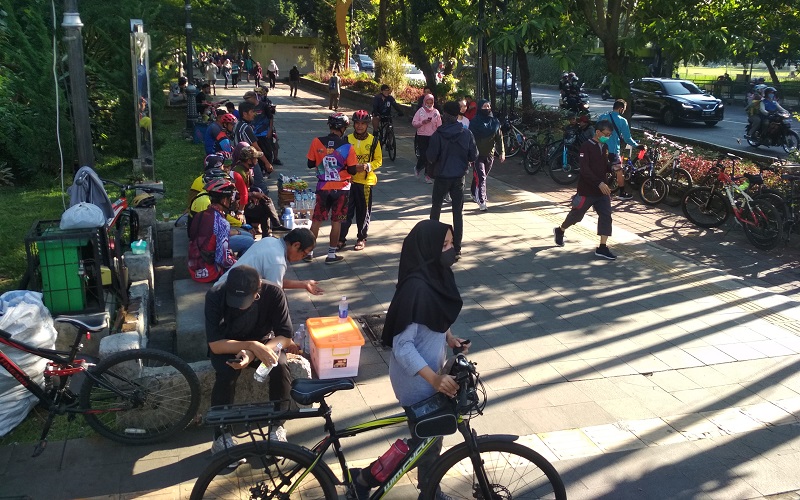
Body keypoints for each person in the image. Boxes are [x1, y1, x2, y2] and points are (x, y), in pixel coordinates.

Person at [351, 220, 468, 500]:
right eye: (444, 245)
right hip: (416, 378)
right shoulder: (416, 287)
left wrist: (449, 338)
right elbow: (403, 347)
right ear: (427, 248)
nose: (451, 250)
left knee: (426, 440)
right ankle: (419, 489)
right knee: (427, 440)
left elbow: (435, 315)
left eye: (451, 243)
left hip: (430, 370)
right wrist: (436, 379)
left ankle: (370, 479)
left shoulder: (435, 276)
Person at [205, 265, 298, 455]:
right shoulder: (215, 295)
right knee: (227, 372)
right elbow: (215, 345)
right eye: (235, 300)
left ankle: (277, 426)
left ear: (257, 292)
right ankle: (221, 435)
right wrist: (249, 346)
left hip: (267, 342)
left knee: (279, 365)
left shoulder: (273, 292)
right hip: (228, 344)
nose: (239, 305)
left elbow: (285, 338)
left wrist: (255, 350)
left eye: (244, 300)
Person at [552, 120, 618, 260]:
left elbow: (604, 166)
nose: (607, 137)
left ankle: (602, 247)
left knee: (606, 216)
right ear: (598, 132)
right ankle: (560, 230)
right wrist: (598, 182)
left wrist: (612, 168)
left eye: (610, 135)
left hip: (602, 191)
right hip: (587, 189)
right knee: (576, 216)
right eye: (606, 134)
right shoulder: (586, 146)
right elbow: (585, 170)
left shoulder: (604, 146)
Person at [305, 112, 358, 264]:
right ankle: (331, 255)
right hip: (342, 189)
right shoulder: (348, 147)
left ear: (330, 126)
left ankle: (309, 252)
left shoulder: (317, 141)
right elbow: (353, 171)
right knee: (337, 221)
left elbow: (310, 164)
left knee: (317, 220)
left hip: (323, 187)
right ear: (344, 128)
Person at [427, 101, 478, 259]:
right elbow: (474, 155)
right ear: (457, 115)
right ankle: (457, 248)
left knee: (436, 208)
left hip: (442, 176)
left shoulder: (438, 134)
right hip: (459, 177)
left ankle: (434, 244)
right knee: (458, 212)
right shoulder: (466, 133)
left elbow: (430, 157)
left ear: (444, 115)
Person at [217, 228, 323, 295]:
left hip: (220, 289)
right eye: (303, 254)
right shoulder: (277, 261)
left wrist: (303, 284)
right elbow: (275, 293)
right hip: (230, 297)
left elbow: (274, 282)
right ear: (296, 245)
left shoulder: (270, 240)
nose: (301, 258)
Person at [339, 110, 383, 251]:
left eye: (363, 124)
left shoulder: (374, 141)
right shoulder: (347, 140)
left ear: (367, 125)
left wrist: (368, 166)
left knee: (363, 212)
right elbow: (340, 160)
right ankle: (341, 238)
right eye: (357, 123)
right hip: (348, 181)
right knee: (346, 211)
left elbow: (378, 160)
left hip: (365, 183)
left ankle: (361, 237)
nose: (359, 126)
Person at [188, 179, 241, 282]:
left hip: (194, 269)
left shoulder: (200, 215)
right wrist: (240, 262)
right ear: (224, 200)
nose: (232, 201)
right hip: (210, 273)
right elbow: (223, 261)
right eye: (231, 198)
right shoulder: (222, 223)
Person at [598, 100, 638, 200]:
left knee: (600, 168)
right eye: (623, 109)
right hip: (613, 149)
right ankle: (622, 192)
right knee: (619, 170)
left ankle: (597, 189)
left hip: (599, 147)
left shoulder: (603, 116)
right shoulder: (622, 120)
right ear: (621, 109)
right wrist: (637, 145)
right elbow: (627, 138)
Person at [469, 99, 504, 212]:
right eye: (484, 106)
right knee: (482, 177)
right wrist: (469, 154)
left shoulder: (495, 122)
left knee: (481, 177)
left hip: (489, 154)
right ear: (479, 108)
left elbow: (499, 138)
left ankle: (474, 191)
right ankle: (482, 201)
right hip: (477, 155)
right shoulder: (474, 122)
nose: (487, 108)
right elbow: (469, 139)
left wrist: (502, 152)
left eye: (488, 106)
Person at [412, 94, 442, 183]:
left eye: (431, 102)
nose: (429, 104)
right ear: (424, 102)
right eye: (427, 102)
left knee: (430, 156)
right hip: (422, 136)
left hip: (433, 136)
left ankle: (428, 175)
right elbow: (414, 123)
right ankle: (418, 167)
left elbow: (439, 125)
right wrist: (422, 122)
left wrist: (440, 134)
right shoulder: (420, 111)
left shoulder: (436, 112)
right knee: (424, 155)